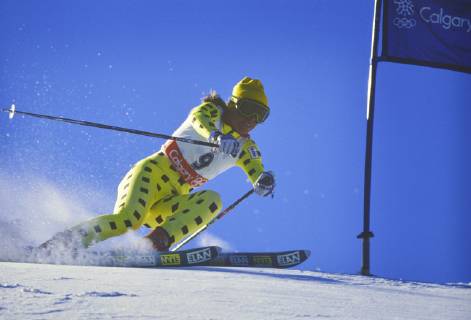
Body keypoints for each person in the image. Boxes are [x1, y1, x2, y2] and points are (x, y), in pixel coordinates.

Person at [40, 77, 275, 252]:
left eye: (261, 115)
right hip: (150, 175)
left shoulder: (245, 147)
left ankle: (153, 245)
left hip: (172, 198)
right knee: (127, 222)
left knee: (212, 200)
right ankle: (59, 246)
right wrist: (215, 135)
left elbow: (256, 167)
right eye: (249, 110)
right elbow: (199, 120)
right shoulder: (211, 111)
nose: (253, 120)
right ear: (233, 104)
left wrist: (262, 179)